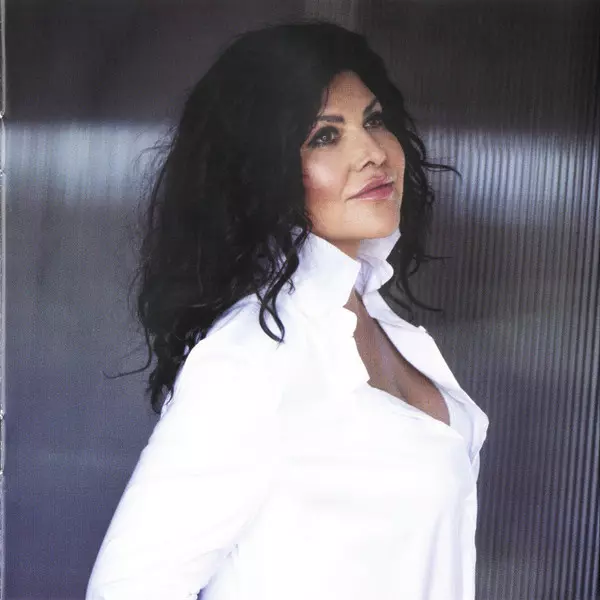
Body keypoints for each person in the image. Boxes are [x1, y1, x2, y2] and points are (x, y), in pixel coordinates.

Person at [86, 20, 489, 600]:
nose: (373, 153)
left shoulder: (384, 326)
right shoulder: (253, 355)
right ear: (263, 170)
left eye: (374, 120)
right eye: (325, 136)